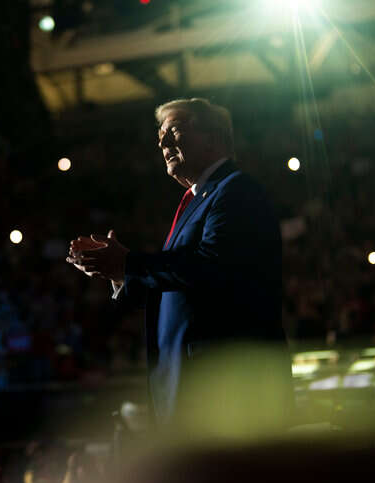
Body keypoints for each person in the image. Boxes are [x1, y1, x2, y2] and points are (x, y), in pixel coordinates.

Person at [67, 98, 292, 435]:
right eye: (160, 136)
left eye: (174, 131)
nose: (162, 143)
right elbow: (180, 282)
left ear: (213, 137)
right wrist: (120, 273)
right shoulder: (199, 199)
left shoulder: (236, 191)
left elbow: (209, 265)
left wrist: (130, 263)